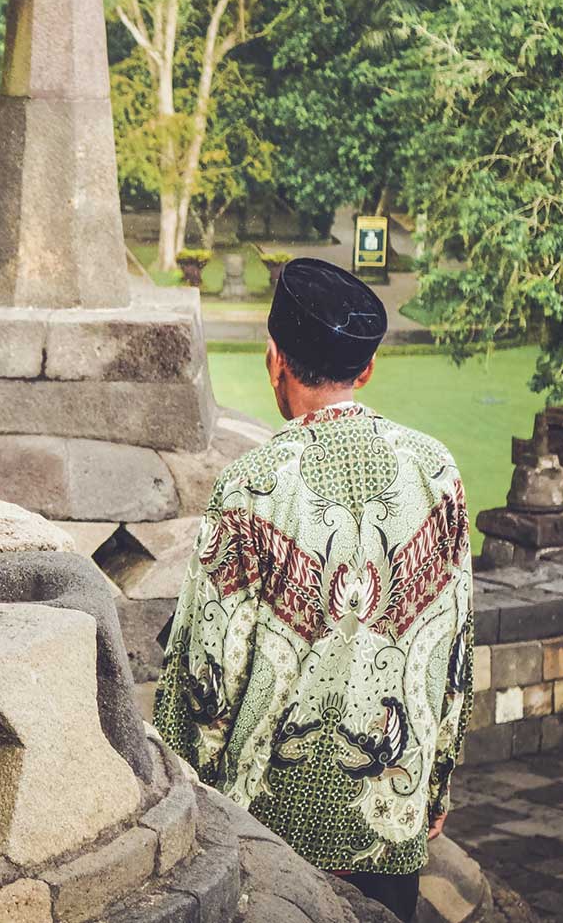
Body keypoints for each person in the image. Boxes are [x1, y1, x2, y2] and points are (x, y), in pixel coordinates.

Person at [154, 258, 473, 922]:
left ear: (275, 359)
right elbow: (455, 646)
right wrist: (436, 785)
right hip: (394, 810)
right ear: (367, 368)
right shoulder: (437, 471)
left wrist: (177, 797)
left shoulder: (253, 483)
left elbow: (204, 673)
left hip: (267, 826)